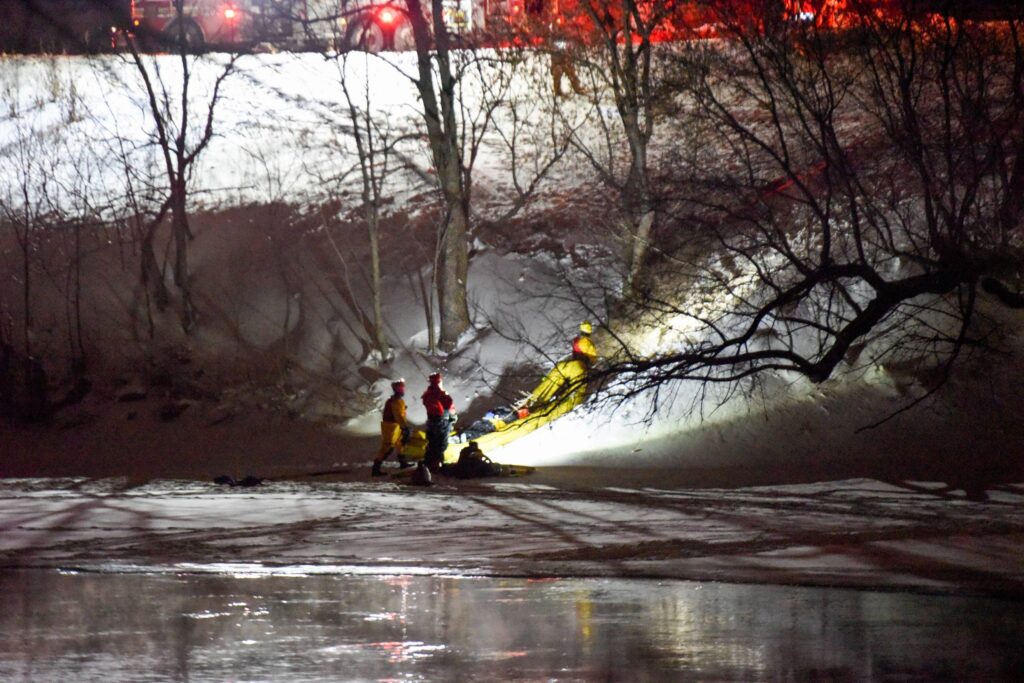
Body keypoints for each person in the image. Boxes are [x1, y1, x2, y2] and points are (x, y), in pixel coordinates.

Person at [372, 379, 413, 476]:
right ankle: (376, 468)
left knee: (400, 443)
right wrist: (405, 427)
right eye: (402, 389)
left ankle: (403, 462)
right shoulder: (396, 401)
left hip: (395, 426)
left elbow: (399, 413)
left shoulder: (396, 400)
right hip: (391, 426)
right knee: (388, 446)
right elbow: (398, 416)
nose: (403, 391)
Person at [421, 372, 456, 472]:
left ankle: (428, 463)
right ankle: (437, 465)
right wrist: (452, 417)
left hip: (431, 421)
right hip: (442, 421)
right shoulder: (441, 393)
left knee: (432, 443)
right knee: (441, 444)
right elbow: (450, 406)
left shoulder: (428, 393)